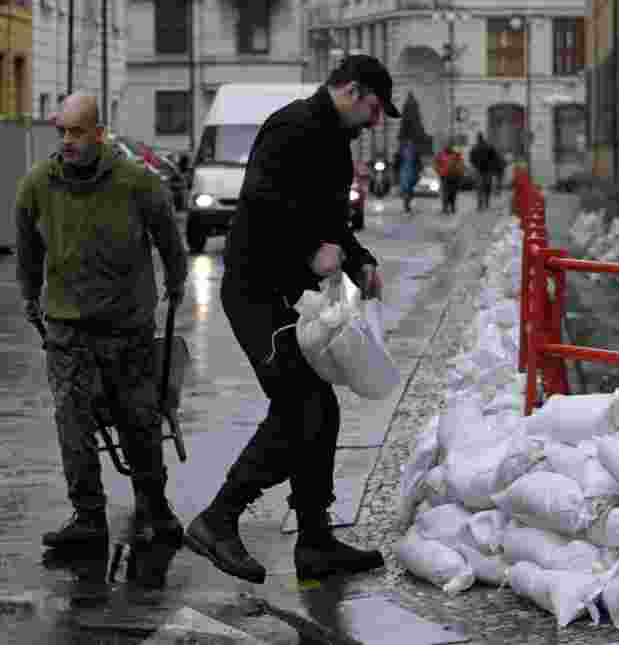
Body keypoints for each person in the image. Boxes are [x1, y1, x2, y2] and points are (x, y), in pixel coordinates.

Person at [183, 55, 400, 585]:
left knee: (318, 410)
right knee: (301, 408)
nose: (377, 121)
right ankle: (218, 519)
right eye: (374, 108)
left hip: (287, 297)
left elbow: (331, 224)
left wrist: (359, 259)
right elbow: (262, 200)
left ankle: (315, 540)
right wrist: (308, 252)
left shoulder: (334, 144)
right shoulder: (293, 126)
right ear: (350, 90)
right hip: (256, 293)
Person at [15, 93, 189, 548]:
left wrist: (176, 281)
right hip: (68, 328)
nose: (68, 141)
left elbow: (169, 238)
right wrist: (29, 293)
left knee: (139, 419)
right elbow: (28, 244)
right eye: (63, 132)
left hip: (126, 326)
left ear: (98, 133)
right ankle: (89, 516)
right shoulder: (39, 184)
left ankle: (156, 507)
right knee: (72, 422)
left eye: (77, 132)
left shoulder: (136, 182)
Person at [468, 133, 500, 211]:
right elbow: (495, 158)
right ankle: (487, 202)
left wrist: (475, 165)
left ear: (478, 139)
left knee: (479, 187)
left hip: (479, 170)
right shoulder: (489, 147)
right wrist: (493, 167)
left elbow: (471, 159)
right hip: (488, 170)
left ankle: (480, 204)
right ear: (483, 138)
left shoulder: (475, 148)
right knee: (487, 186)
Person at [433, 140, 464, 215]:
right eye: (446, 145)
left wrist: (459, 172)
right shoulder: (440, 155)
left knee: (453, 193)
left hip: (454, 176)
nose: (448, 147)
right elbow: (436, 164)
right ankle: (445, 207)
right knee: (445, 193)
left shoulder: (456, 154)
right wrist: (440, 171)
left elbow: (460, 164)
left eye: (449, 145)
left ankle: (452, 206)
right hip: (444, 176)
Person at [397, 138, 421, 214]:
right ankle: (406, 204)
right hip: (405, 172)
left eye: (411, 145)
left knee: (408, 189)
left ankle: (407, 203)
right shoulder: (401, 153)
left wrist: (418, 170)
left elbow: (418, 163)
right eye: (409, 144)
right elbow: (397, 162)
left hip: (410, 173)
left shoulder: (414, 153)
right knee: (407, 189)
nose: (410, 146)